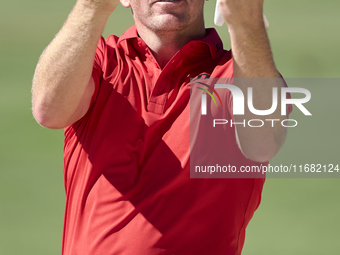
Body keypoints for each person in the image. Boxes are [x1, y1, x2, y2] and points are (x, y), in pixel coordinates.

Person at [32, 0, 288, 254]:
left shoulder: (239, 75)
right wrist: (92, 6)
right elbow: (49, 111)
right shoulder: (97, 62)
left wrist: (247, 25)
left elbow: (264, 141)